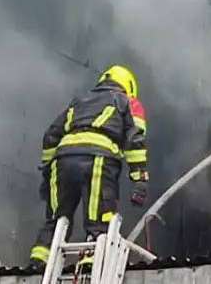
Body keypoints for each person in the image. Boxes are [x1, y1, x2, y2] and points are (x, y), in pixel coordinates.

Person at [30, 66, 149, 265]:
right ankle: (91, 262)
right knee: (99, 221)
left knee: (56, 222)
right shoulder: (128, 102)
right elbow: (135, 140)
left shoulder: (79, 101)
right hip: (98, 161)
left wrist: (47, 172)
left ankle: (37, 264)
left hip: (63, 161)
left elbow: (51, 135)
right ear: (129, 87)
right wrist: (140, 180)